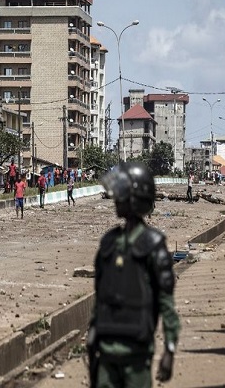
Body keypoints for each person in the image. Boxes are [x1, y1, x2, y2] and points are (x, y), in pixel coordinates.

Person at [87, 162, 180, 388]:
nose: (116, 199)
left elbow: (166, 302)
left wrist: (169, 349)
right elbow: (100, 296)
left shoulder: (153, 245)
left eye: (122, 194)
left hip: (136, 352)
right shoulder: (109, 243)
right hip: (106, 349)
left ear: (135, 198)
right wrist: (92, 335)